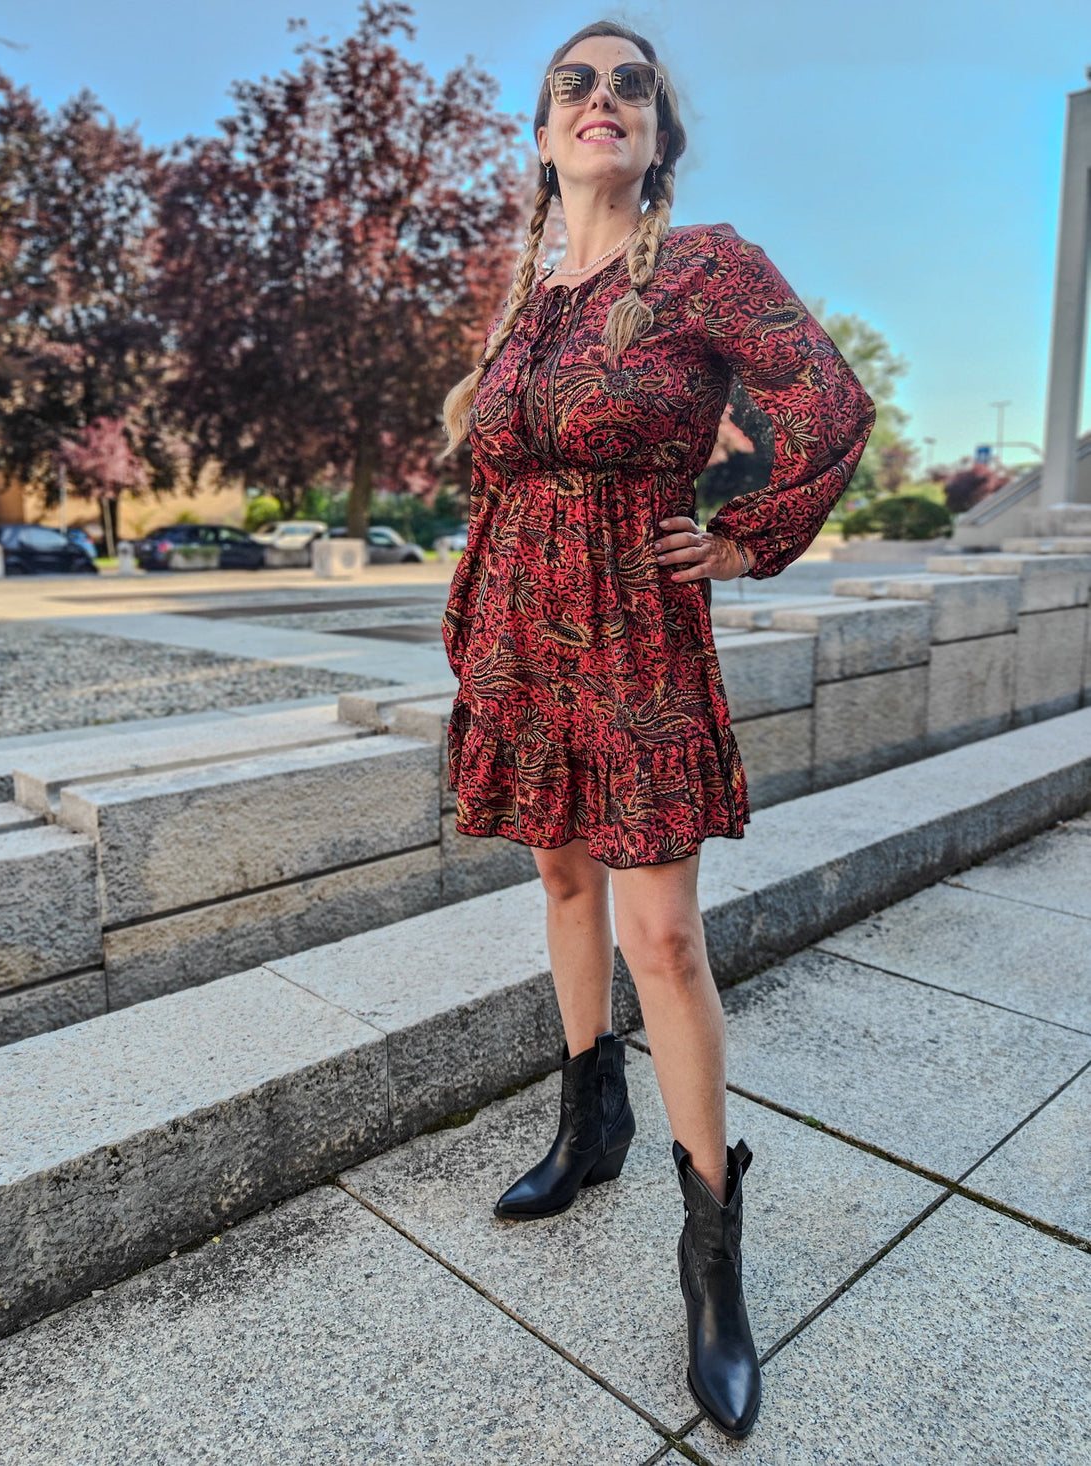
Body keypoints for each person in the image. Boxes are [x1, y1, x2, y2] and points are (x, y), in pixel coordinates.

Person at [439, 19, 875, 1441]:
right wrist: (476, 619)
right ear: (545, 129)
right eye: (578, 82)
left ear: (660, 135)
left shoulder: (705, 267)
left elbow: (831, 407)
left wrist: (748, 541)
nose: (604, 99)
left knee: (666, 936)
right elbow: (501, 475)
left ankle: (710, 1254)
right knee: (560, 879)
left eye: (633, 85)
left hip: (635, 633)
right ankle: (588, 1117)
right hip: (523, 640)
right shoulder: (525, 301)